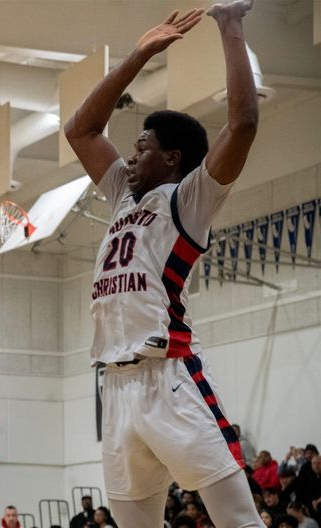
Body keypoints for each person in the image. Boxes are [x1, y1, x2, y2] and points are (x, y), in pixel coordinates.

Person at [63, 1, 262, 527]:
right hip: (116, 386)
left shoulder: (187, 200)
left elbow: (242, 124)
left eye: (142, 147)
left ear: (171, 159)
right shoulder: (121, 197)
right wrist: (139, 54)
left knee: (239, 521)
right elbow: (80, 130)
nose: (128, 158)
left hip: (172, 377)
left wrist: (230, 25)